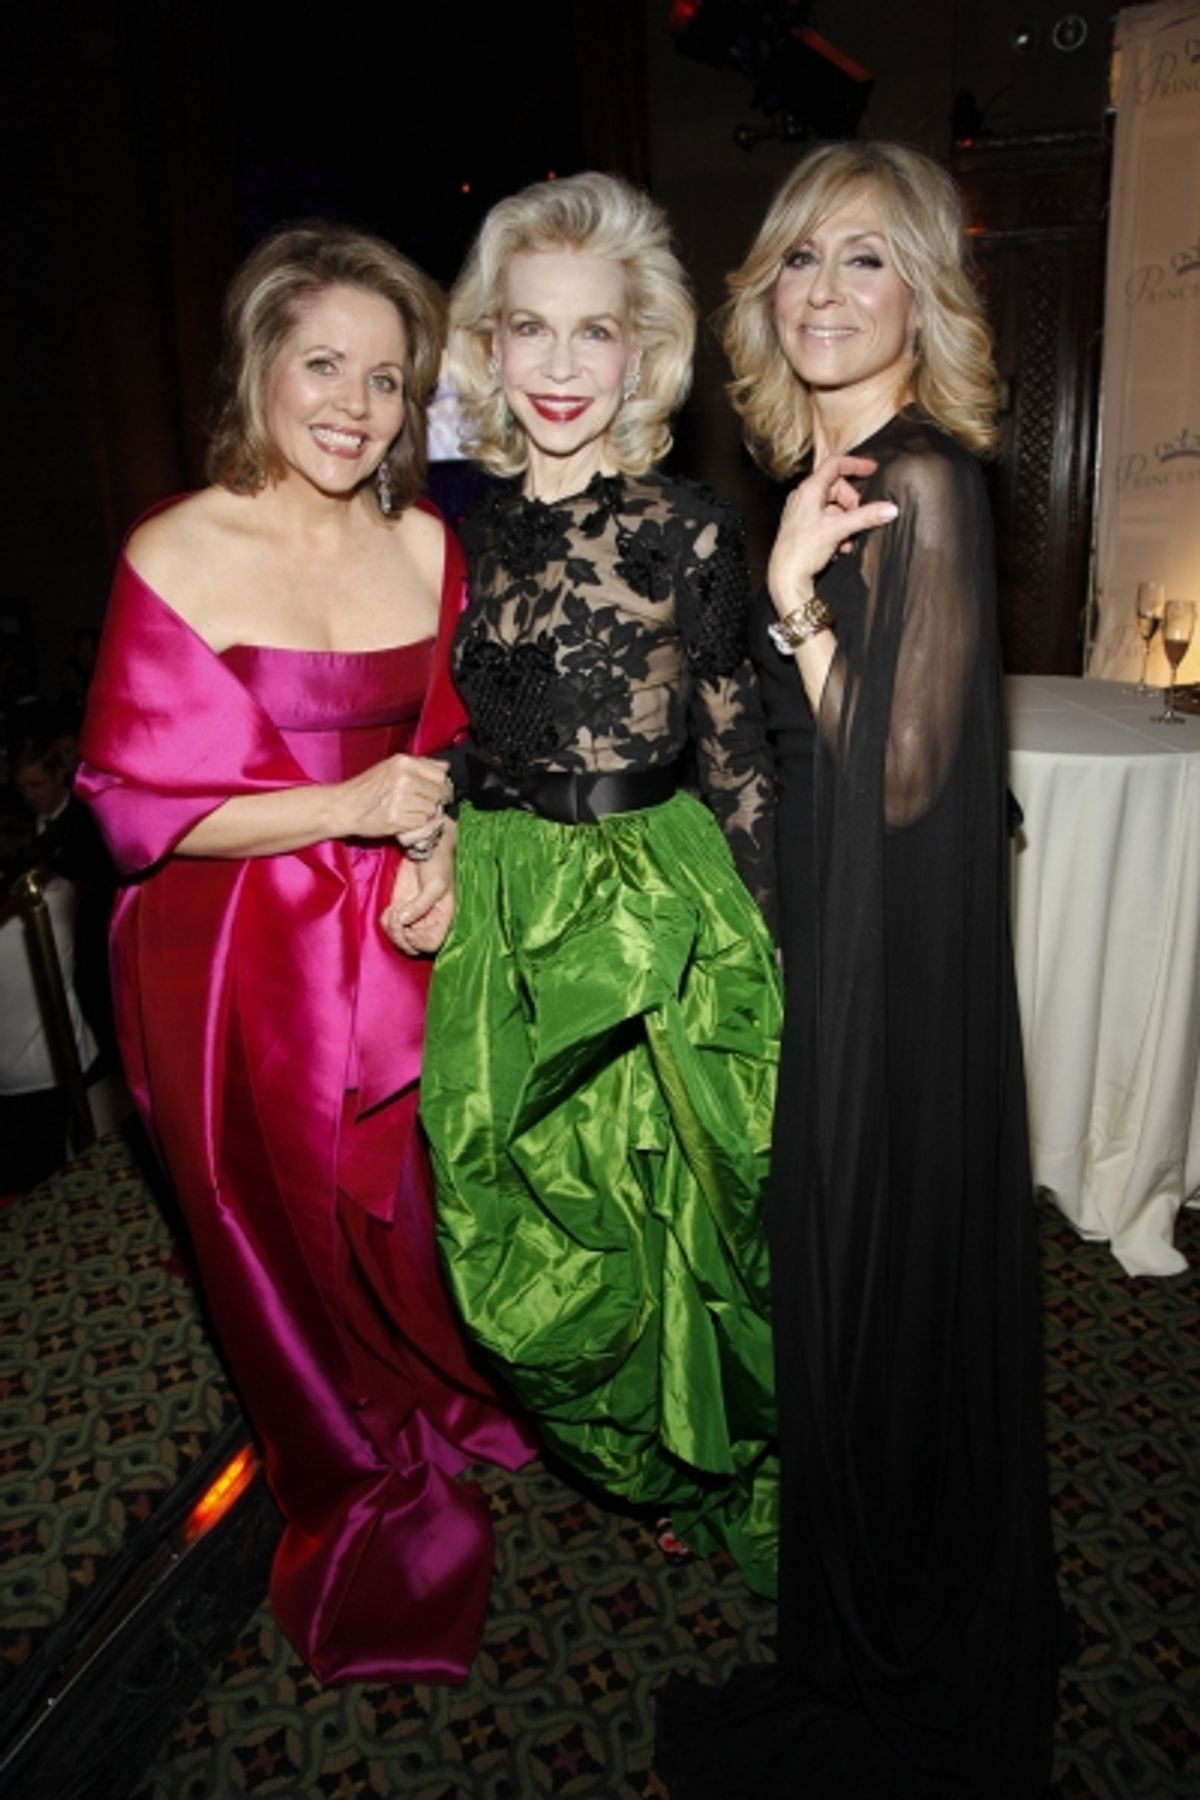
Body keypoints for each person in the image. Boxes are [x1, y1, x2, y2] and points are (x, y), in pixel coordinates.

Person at [657, 142, 1064, 1794]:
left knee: (873, 1268)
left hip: (889, 983)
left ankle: (892, 1642)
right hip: (850, 946)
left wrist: (785, 613)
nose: (825, 292)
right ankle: (886, 1591)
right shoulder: (840, 482)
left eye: (867, 261)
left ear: (922, 295)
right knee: (856, 1272)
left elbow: (900, 781)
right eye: (799, 262)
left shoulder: (925, 481)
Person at [76, 222, 534, 1685]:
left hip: (395, 935)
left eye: (388, 378)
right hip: (224, 965)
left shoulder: (425, 543)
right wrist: (343, 807)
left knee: (414, 1204)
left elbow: (451, 749)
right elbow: (139, 808)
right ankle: (348, 1483)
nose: (355, 402)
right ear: (260, 366)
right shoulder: (177, 548)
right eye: (323, 363)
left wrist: (439, 852)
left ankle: (434, 1389)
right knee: (271, 1236)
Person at [413, 172, 781, 1595]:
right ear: (489, 349)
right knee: (520, 1207)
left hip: (649, 900)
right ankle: (619, 1444)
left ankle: (713, 1450)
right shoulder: (452, 533)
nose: (562, 368)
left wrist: (771, 949)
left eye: (594, 334)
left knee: (682, 1204)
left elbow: (740, 751)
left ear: (643, 354)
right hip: (506, 904)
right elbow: (434, 733)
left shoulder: (686, 530)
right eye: (531, 331)